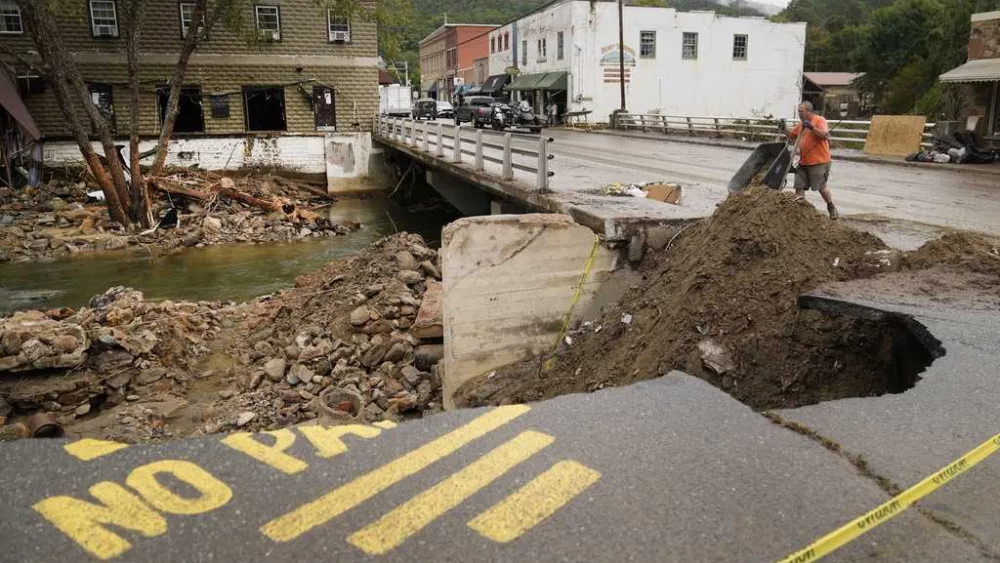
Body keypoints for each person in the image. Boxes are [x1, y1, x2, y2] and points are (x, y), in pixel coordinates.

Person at [782, 101, 839, 220]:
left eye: (801, 111)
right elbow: (792, 136)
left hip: (819, 161)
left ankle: (831, 206)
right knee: (799, 186)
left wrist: (812, 127)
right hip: (804, 161)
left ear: (808, 111)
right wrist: (784, 129)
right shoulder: (801, 124)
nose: (799, 113)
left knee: (820, 187)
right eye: (798, 111)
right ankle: (799, 212)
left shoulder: (819, 120)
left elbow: (825, 135)